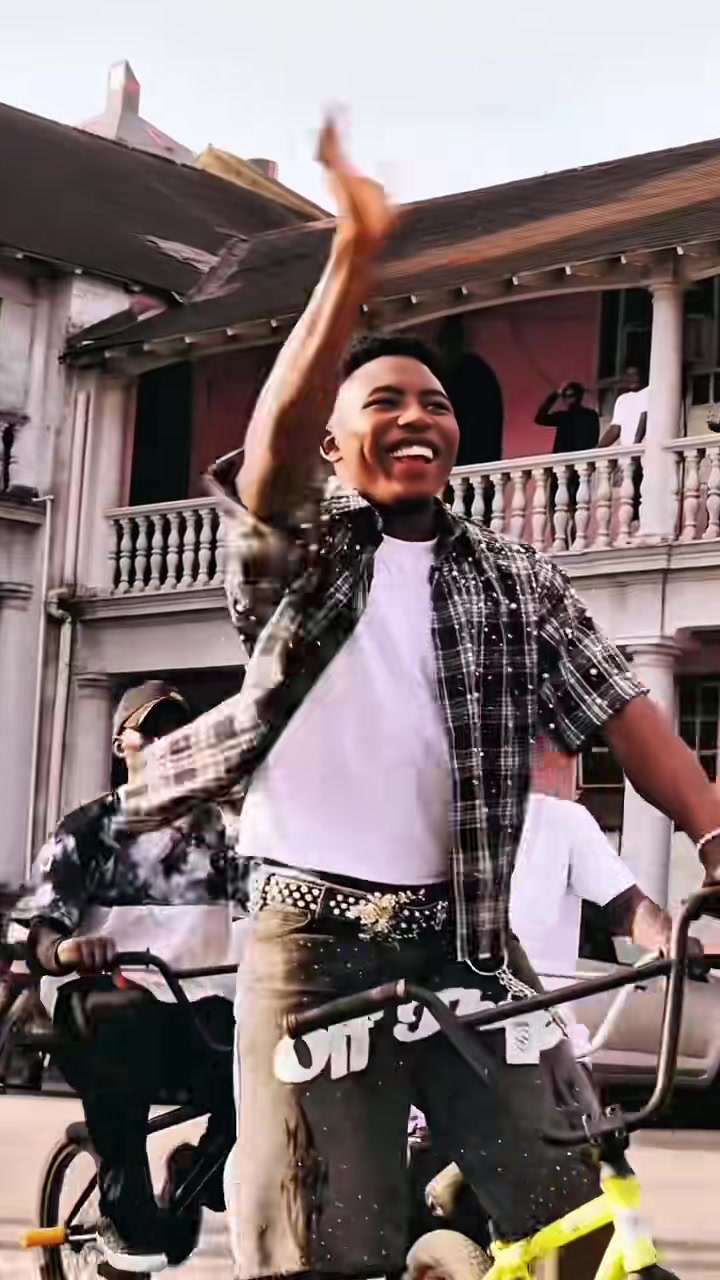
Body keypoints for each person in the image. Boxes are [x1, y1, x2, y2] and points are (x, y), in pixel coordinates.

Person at [115, 123, 720, 1280]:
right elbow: (269, 460)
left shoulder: (515, 575)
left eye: (436, 403)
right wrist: (350, 261)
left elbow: (627, 712)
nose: (417, 416)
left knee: (584, 1223)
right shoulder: (301, 557)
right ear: (336, 444)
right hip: (311, 946)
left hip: (470, 946)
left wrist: (712, 830)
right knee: (328, 1245)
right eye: (385, 400)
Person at [15, 681, 236, 1274]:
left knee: (277, 1054)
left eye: (178, 733)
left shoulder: (224, 837)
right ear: (121, 744)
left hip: (198, 1011)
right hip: (111, 1008)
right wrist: (65, 949)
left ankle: (198, 1176)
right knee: (120, 1019)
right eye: (152, 731)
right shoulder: (87, 830)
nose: (167, 743)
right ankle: (124, 1211)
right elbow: (38, 932)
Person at [599, 365, 648, 525]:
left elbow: (644, 418)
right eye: (629, 375)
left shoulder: (650, 392)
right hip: (628, 458)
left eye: (636, 374)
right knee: (629, 498)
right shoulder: (622, 400)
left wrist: (635, 446)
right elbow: (615, 429)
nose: (633, 379)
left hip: (643, 454)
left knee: (642, 496)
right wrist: (597, 450)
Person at [534, 382, 600, 454]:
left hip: (565, 458)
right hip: (586, 457)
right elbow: (594, 441)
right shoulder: (592, 415)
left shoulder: (563, 417)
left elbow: (539, 418)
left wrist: (556, 394)